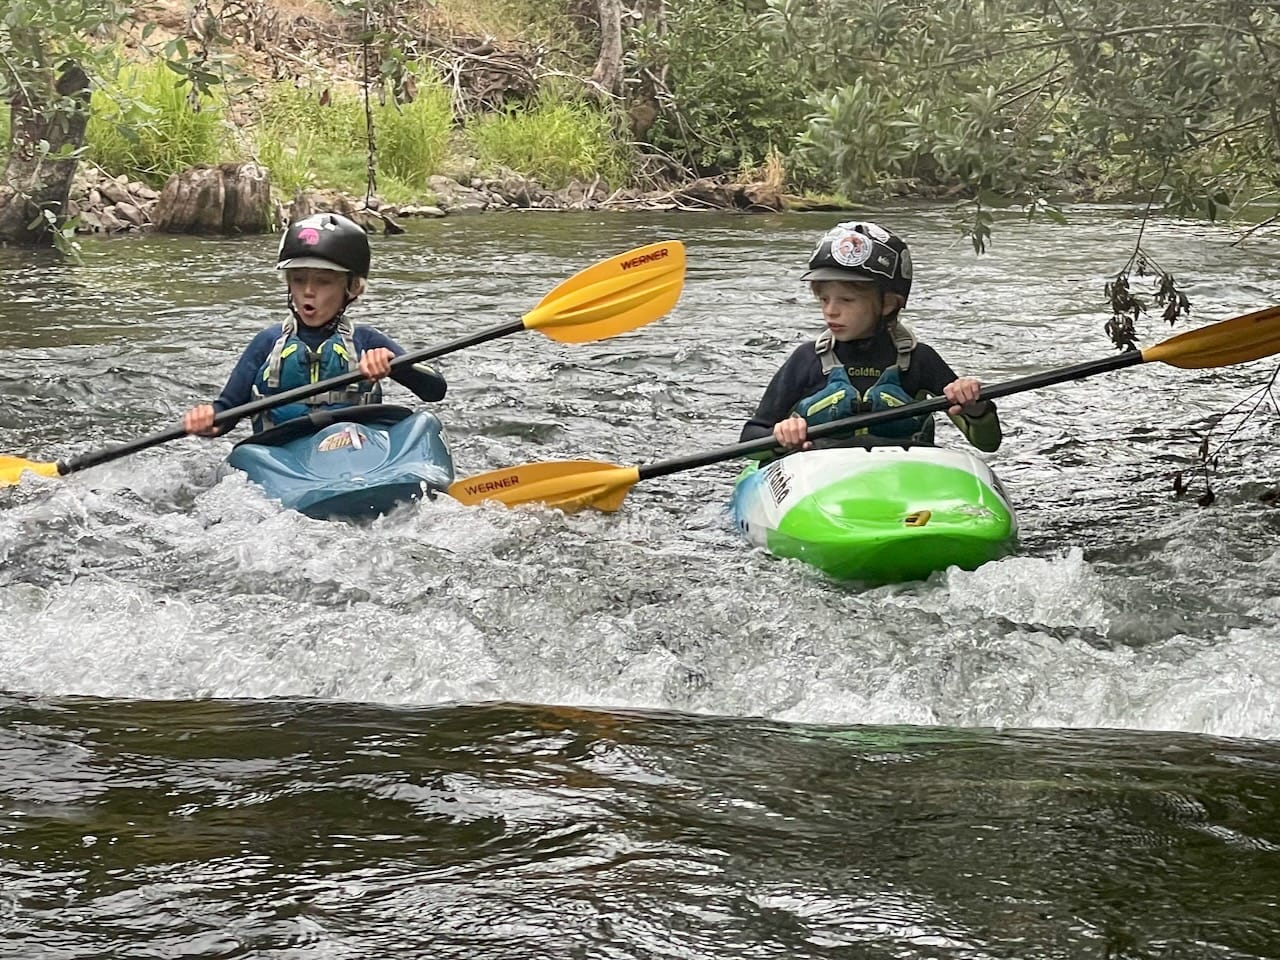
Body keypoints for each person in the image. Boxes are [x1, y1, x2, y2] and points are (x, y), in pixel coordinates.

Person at [740, 220, 1000, 455]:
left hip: (903, 481)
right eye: (824, 299)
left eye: (847, 299)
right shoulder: (806, 360)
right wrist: (779, 437)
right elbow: (749, 440)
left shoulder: (920, 361)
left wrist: (975, 408)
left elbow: (988, 443)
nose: (831, 310)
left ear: (887, 304)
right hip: (823, 483)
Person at [182, 212, 446, 437]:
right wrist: (208, 419)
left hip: (357, 450)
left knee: (424, 424)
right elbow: (226, 411)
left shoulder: (366, 341)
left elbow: (435, 390)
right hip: (282, 454)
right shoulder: (268, 342)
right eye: (298, 280)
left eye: (323, 281)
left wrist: (393, 365)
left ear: (353, 287)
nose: (308, 291)